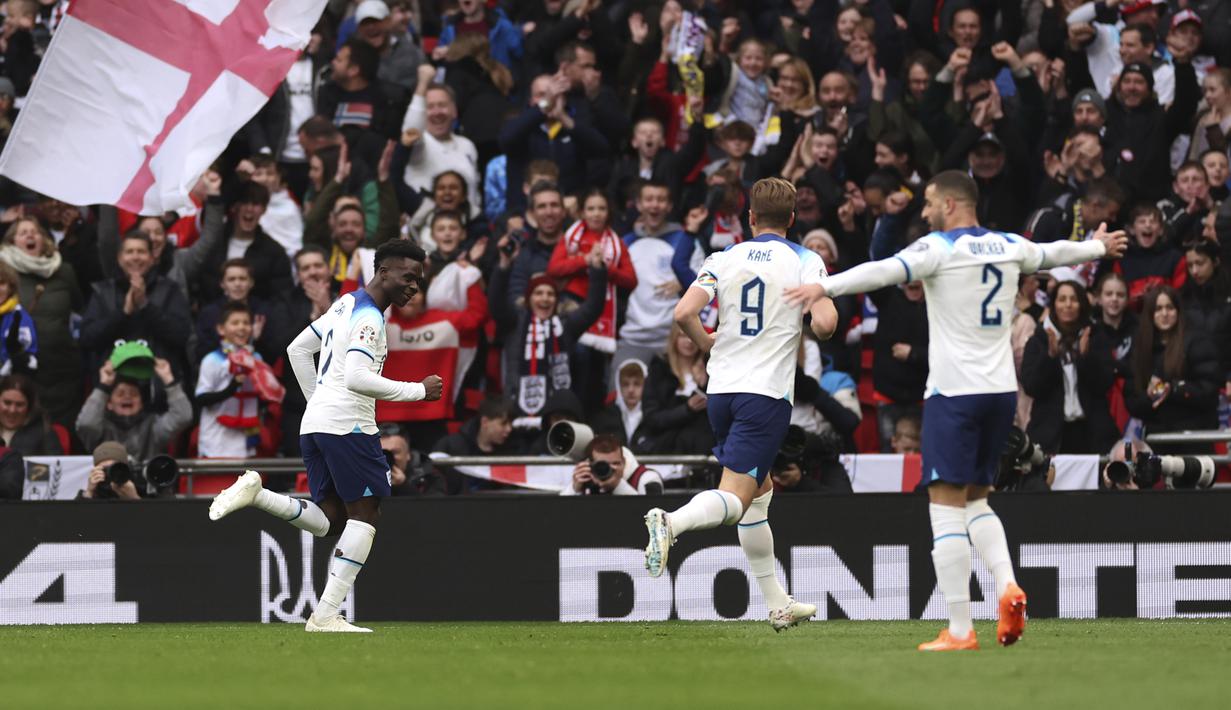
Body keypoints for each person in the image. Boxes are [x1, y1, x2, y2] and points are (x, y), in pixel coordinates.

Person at [799, 171, 1128, 650]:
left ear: (952, 205)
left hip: (953, 395)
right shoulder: (1008, 244)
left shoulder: (939, 248)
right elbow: (1053, 254)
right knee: (977, 500)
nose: (925, 211)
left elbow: (882, 270)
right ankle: (1009, 586)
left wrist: (825, 287)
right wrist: (1096, 247)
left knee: (944, 508)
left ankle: (958, 629)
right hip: (999, 395)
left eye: (930, 203)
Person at [209, 240, 444, 634]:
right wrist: (418, 390)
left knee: (332, 520)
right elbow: (356, 377)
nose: (413, 287)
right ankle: (326, 616)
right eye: (407, 277)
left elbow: (297, 349)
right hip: (349, 425)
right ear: (383, 272)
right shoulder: (369, 318)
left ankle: (258, 494)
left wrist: (318, 401)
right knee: (367, 515)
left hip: (316, 423)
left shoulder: (344, 303)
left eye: (419, 281)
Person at [643, 178, 838, 632]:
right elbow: (825, 325)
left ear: (749, 218)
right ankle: (670, 522)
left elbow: (682, 314)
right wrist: (821, 311)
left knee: (760, 496)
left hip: (722, 392)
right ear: (792, 219)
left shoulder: (723, 258)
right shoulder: (805, 260)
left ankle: (777, 604)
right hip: (764, 394)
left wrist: (709, 345)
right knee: (737, 495)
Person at [1020, 281, 1118, 455]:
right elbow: (1032, 387)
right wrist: (1050, 357)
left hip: (1092, 434)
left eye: (1073, 299)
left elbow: (1105, 383)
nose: (1068, 305)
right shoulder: (1038, 340)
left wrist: (1085, 357)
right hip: (1050, 435)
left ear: (1082, 304)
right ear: (1053, 305)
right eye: (1062, 299)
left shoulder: (1096, 336)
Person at [561, 433, 664, 496]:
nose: (609, 470)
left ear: (624, 462)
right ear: (590, 464)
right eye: (602, 465)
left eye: (615, 463)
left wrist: (618, 486)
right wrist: (574, 490)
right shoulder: (586, 478)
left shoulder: (646, 478)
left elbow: (652, 520)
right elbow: (557, 515)